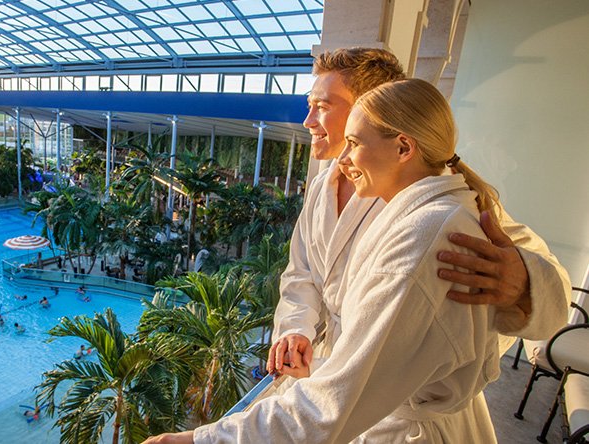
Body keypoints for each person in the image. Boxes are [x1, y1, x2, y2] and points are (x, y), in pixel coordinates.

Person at [143, 48, 570, 444]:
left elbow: (553, 293)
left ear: (375, 106)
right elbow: (303, 272)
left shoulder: (439, 215)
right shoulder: (324, 185)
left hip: (390, 400)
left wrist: (524, 283)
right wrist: (297, 327)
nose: (308, 120)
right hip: (339, 375)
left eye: (323, 107)